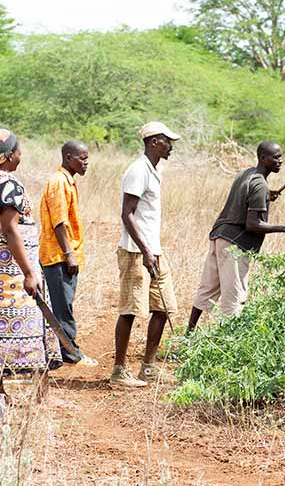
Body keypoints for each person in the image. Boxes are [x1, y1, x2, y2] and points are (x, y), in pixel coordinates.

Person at [0, 128, 62, 401]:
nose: (21, 154)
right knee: (31, 322)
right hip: (10, 268)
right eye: (18, 150)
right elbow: (10, 230)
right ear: (8, 156)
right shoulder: (10, 186)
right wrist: (29, 272)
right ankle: (40, 394)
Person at [187, 141, 285, 332]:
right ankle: (229, 344)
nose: (280, 161)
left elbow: (245, 200)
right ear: (263, 158)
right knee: (234, 296)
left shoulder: (247, 174)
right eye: (275, 157)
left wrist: (267, 197)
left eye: (281, 157)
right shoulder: (260, 185)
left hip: (220, 236)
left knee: (207, 290)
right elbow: (252, 224)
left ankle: (188, 335)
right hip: (235, 244)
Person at [110, 121, 180, 388]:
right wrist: (145, 250)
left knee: (164, 308)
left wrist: (153, 251)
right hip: (135, 251)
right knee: (130, 309)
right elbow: (127, 214)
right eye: (166, 141)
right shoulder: (138, 170)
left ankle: (148, 367)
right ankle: (119, 370)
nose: (170, 145)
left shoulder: (154, 169)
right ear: (153, 142)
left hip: (153, 251)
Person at [39, 140, 98, 369]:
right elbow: (59, 222)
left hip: (63, 255)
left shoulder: (68, 181)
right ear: (68, 157)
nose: (86, 163)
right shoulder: (58, 182)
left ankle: (62, 351)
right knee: (63, 308)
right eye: (82, 158)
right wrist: (69, 253)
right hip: (58, 256)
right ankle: (71, 354)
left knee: (64, 304)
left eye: (87, 158)